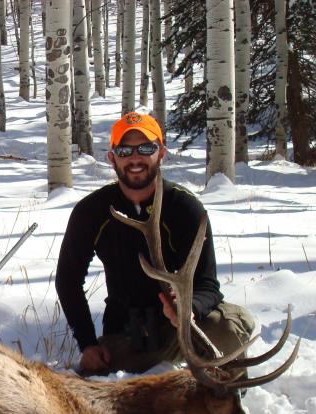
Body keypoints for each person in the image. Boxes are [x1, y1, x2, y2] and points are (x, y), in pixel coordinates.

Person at [55, 112, 255, 375]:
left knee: (229, 327)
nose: (135, 158)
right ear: (111, 157)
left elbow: (208, 285)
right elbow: (68, 281)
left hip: (184, 327)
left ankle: (228, 402)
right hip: (129, 334)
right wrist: (88, 344)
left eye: (146, 148)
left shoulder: (186, 208)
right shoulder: (91, 212)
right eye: (125, 150)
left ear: (161, 153)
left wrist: (188, 308)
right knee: (104, 383)